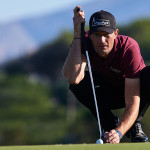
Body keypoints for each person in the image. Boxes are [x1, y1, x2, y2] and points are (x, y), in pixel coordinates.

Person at [62, 6, 150, 144]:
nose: (101, 40)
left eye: (106, 34)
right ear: (90, 34)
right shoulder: (84, 41)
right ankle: (108, 125)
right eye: (97, 35)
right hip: (105, 93)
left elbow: (133, 101)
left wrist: (119, 132)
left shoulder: (128, 47)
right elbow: (73, 78)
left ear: (116, 33)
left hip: (131, 92)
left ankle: (134, 125)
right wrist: (77, 35)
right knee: (79, 84)